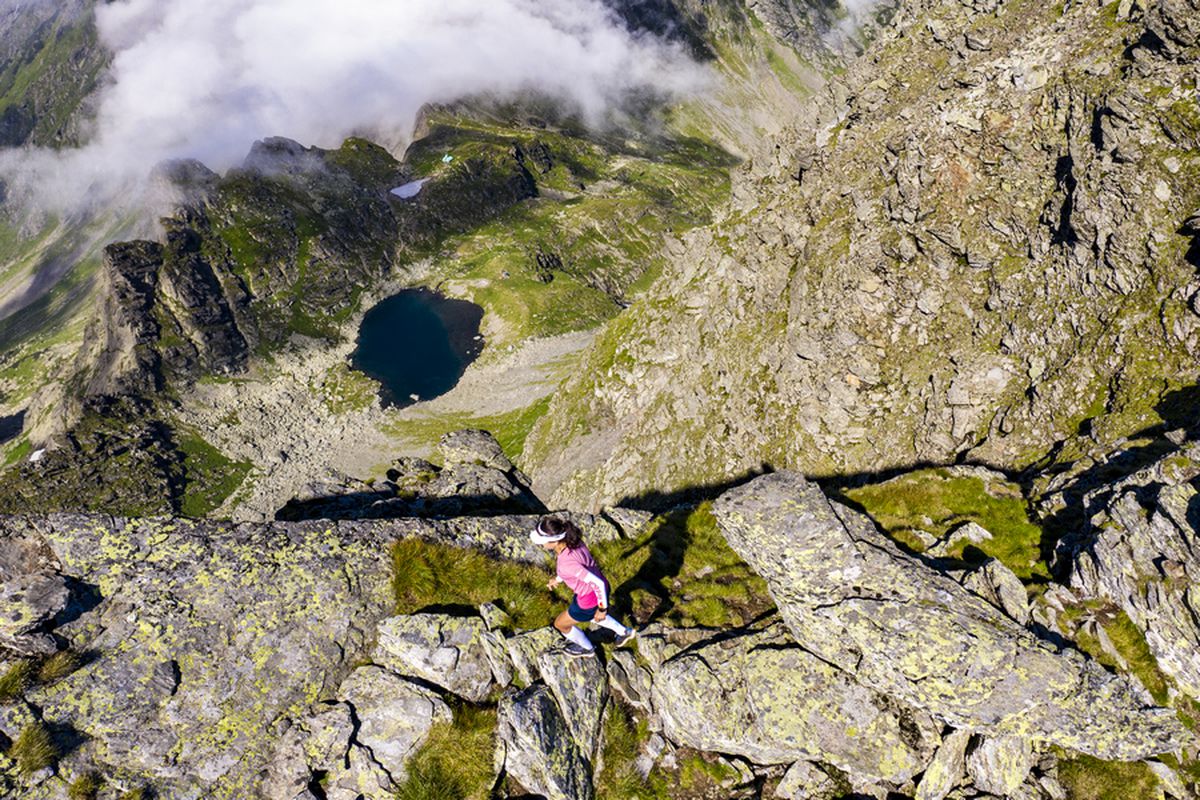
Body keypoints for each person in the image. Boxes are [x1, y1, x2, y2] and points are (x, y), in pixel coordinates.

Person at [530, 515, 636, 657]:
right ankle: (624, 632)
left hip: (588, 598)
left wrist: (602, 609)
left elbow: (592, 581)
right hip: (601, 584)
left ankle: (587, 649)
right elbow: (579, 569)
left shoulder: (566, 563)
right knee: (592, 615)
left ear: (554, 541)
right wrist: (559, 578)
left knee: (561, 624)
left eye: (542, 541)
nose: (540, 544)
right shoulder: (574, 541)